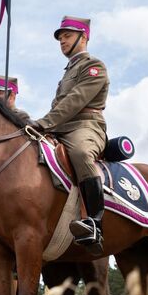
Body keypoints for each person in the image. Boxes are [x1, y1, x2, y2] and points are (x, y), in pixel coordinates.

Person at [34, 16, 109, 253]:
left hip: (85, 127)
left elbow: (75, 101)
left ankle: (94, 222)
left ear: (83, 36)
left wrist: (44, 123)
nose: (62, 41)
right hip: (59, 128)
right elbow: (59, 106)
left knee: (80, 153)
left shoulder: (94, 66)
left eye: (67, 36)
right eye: (60, 38)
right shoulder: (66, 72)